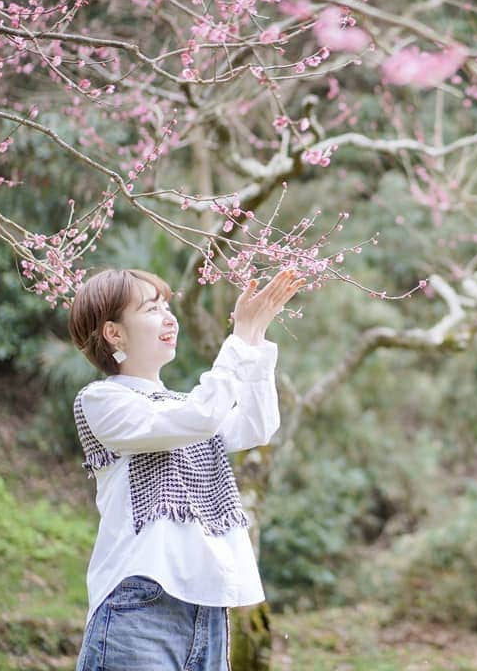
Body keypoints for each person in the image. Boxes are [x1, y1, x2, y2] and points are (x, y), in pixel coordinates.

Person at [67, 267, 305, 671]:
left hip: (207, 608)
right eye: (151, 308)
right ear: (114, 333)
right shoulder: (101, 400)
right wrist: (238, 340)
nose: (169, 317)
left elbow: (257, 425)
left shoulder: (182, 405)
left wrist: (256, 338)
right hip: (140, 604)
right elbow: (203, 417)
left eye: (167, 306)